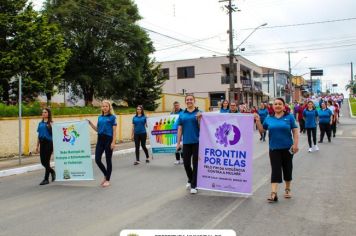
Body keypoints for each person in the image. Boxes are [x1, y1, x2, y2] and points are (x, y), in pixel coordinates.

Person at [255, 98, 299, 203]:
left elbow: (295, 131)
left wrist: (295, 145)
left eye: (280, 104)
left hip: (288, 148)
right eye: (275, 104)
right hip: (274, 148)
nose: (277, 106)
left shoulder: (289, 117)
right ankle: (274, 193)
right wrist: (257, 121)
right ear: (272, 106)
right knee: (275, 170)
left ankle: (287, 189)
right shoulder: (269, 118)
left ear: (284, 106)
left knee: (287, 168)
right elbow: (262, 130)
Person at [176, 94, 202, 194]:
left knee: (195, 164)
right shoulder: (182, 114)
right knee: (186, 164)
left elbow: (202, 128)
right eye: (187, 100)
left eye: (191, 99)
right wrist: (178, 143)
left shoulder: (200, 113)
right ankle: (191, 179)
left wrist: (199, 119)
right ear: (185, 101)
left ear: (194, 101)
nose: (189, 101)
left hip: (197, 142)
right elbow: (180, 129)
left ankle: (194, 185)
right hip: (186, 143)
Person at [88, 100, 117, 187]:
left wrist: (113, 142)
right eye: (103, 106)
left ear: (109, 107)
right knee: (97, 159)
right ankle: (105, 174)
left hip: (108, 139)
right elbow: (98, 129)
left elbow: (114, 131)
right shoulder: (100, 117)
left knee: (108, 160)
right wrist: (90, 124)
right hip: (100, 139)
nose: (104, 107)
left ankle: (107, 179)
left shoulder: (112, 117)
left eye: (106, 106)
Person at [36, 108, 56, 185]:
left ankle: (46, 179)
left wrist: (54, 146)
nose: (43, 113)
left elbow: (54, 135)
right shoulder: (40, 124)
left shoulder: (51, 123)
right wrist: (37, 146)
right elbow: (39, 135)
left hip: (49, 143)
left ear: (48, 114)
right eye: (43, 112)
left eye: (45, 112)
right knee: (42, 162)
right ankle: (52, 171)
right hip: (42, 143)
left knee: (46, 162)